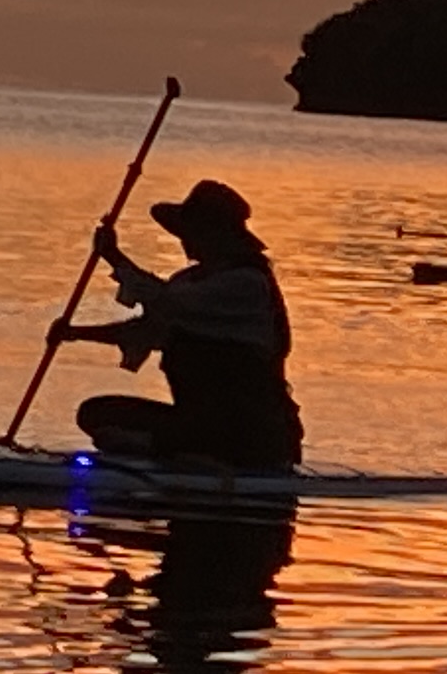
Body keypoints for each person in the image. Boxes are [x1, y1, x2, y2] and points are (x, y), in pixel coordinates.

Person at [55, 177, 304, 470]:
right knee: (95, 414)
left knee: (134, 433)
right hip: (199, 422)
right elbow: (149, 331)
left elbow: (168, 302)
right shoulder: (188, 280)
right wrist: (73, 333)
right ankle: (176, 453)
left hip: (251, 433)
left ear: (215, 235)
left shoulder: (247, 284)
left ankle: (187, 457)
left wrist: (113, 256)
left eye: (193, 233)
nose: (185, 241)